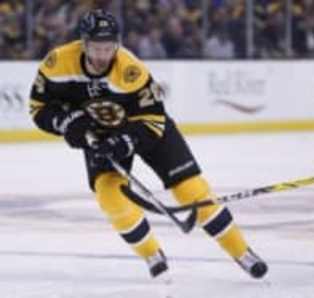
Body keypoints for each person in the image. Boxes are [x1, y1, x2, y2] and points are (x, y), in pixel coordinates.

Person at [28, 9, 267, 279]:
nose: (103, 55)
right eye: (97, 48)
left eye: (109, 47)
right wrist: (69, 123)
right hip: (100, 134)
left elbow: (153, 119)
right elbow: (39, 108)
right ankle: (152, 255)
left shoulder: (131, 69)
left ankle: (242, 253)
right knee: (109, 195)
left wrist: (127, 140)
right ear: (84, 44)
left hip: (147, 130)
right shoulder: (58, 63)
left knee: (192, 190)